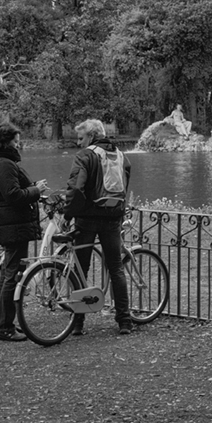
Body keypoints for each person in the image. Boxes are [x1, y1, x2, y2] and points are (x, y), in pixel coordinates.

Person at [65, 118, 133, 336]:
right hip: (112, 217)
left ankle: (77, 323)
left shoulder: (85, 156)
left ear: (92, 136)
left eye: (81, 138)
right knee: (116, 267)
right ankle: (124, 321)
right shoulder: (121, 156)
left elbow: (76, 189)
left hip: (87, 219)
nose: (78, 143)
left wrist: (69, 213)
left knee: (80, 270)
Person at [0, 122, 48, 342]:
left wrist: (32, 187)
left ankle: (4, 323)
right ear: (5, 142)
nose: (18, 144)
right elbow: (12, 195)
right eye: (15, 141)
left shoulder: (2, 161)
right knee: (11, 275)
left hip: (13, 223)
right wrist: (36, 191)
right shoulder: (3, 164)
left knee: (9, 273)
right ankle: (4, 327)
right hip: (14, 224)